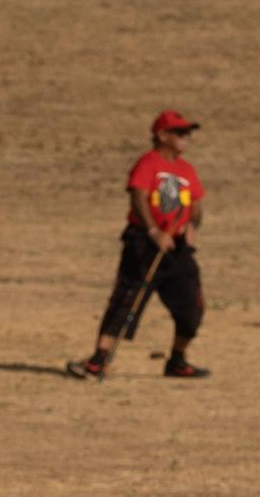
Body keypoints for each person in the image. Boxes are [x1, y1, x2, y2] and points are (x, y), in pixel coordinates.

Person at [68, 110, 209, 381]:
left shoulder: (187, 169)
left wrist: (192, 227)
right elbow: (139, 197)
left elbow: (196, 206)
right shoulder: (148, 163)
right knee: (128, 299)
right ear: (162, 135)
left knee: (192, 306)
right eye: (180, 132)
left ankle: (178, 360)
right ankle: (98, 360)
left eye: (187, 132)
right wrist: (154, 231)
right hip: (145, 243)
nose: (186, 137)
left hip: (177, 248)